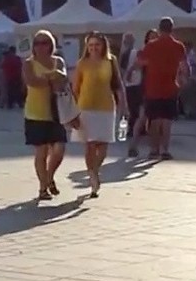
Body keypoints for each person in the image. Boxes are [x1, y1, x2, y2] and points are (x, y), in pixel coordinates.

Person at [72, 32, 127, 198]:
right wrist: (73, 110)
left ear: (103, 45)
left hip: (106, 107)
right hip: (86, 107)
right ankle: (93, 177)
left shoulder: (111, 61)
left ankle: (94, 170)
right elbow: (75, 88)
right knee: (89, 144)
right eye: (90, 45)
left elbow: (118, 85)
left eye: (97, 45)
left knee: (102, 147)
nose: (94, 48)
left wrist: (124, 105)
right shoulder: (82, 63)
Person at [23, 30, 67, 201]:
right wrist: (52, 80)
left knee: (59, 148)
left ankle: (49, 177)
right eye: (37, 43)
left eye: (45, 42)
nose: (41, 46)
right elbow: (32, 81)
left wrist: (50, 80)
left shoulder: (58, 61)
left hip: (57, 111)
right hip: (36, 112)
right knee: (41, 151)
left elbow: (63, 82)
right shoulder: (29, 63)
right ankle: (43, 188)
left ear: (51, 44)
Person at [137, 17, 187, 160]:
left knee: (154, 120)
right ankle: (165, 150)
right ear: (172, 29)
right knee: (167, 121)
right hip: (170, 87)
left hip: (152, 87)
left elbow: (141, 62)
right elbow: (184, 67)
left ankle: (154, 149)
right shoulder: (178, 46)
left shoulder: (151, 45)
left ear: (159, 29)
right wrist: (183, 80)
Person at [127, 29, 158, 157]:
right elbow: (136, 65)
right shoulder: (144, 51)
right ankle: (135, 145)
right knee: (144, 117)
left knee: (153, 119)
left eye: (155, 37)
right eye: (151, 37)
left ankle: (153, 148)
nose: (153, 39)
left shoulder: (157, 51)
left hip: (156, 86)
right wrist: (129, 73)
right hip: (146, 87)